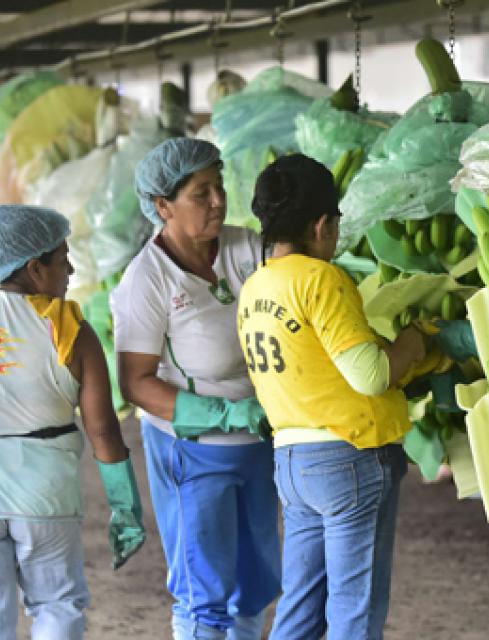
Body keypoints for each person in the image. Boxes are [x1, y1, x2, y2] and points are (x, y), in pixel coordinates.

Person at [238, 154, 433, 639]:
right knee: (354, 610)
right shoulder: (321, 279)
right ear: (322, 224)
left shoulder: (254, 287)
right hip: (349, 458)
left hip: (294, 463)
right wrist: (417, 340)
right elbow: (370, 375)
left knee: (300, 608)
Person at [111, 138, 280, 640]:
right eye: (200, 192)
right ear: (163, 206)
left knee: (254, 578)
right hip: (193, 449)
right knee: (202, 585)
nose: (217, 201)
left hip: (260, 441)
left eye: (219, 187)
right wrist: (224, 414)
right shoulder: (148, 280)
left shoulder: (246, 246)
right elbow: (136, 382)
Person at [0, 205, 145, 640]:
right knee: (58, 605)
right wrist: (125, 505)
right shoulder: (69, 328)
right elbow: (102, 428)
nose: (72, 270)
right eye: (64, 260)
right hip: (46, 492)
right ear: (34, 268)